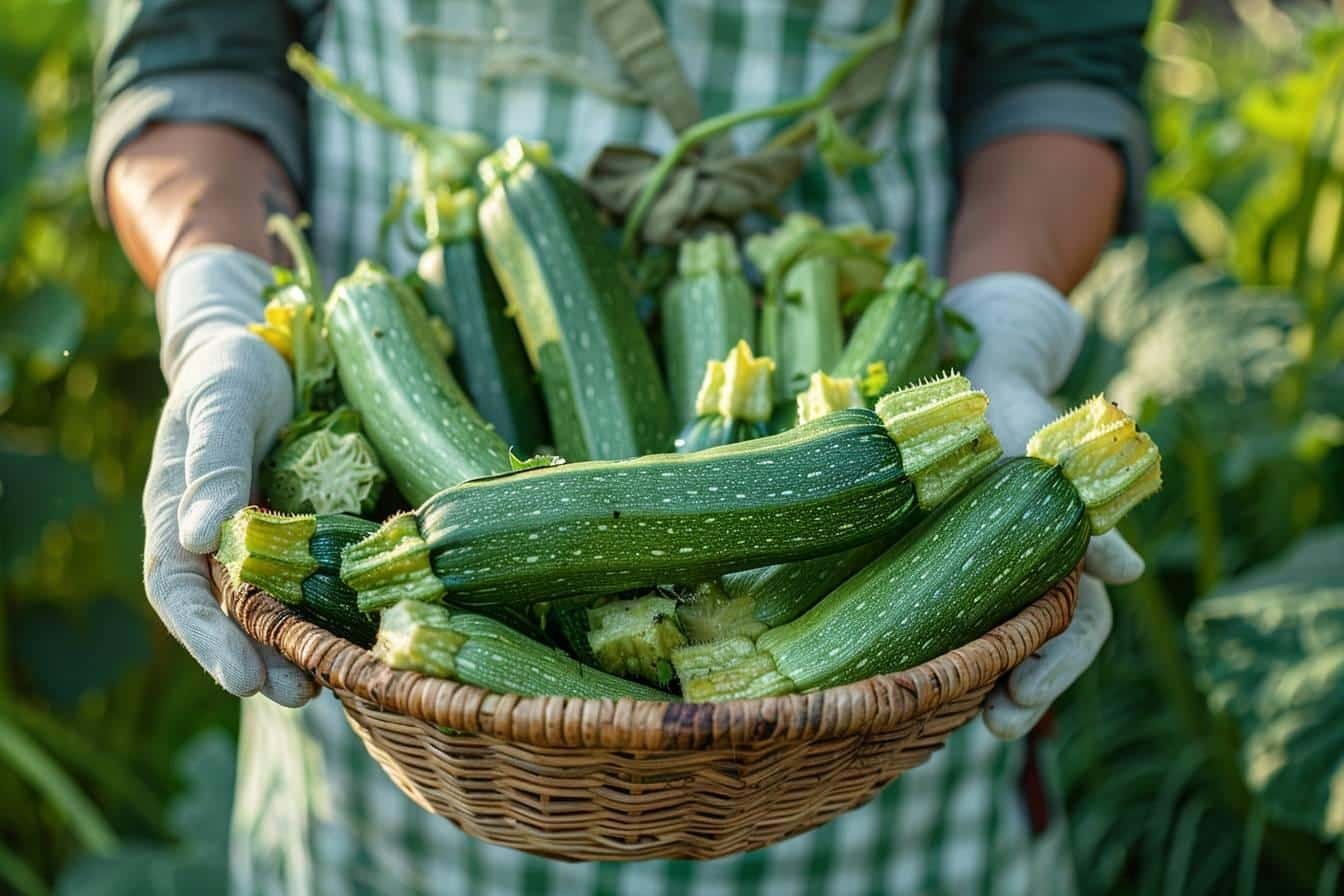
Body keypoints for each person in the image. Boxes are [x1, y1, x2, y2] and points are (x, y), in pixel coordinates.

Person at [93, 1, 1152, 892]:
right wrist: (223, 305)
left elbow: (1053, 62)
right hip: (402, 667)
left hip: (887, 734)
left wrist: (1005, 321)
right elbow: (195, 56)